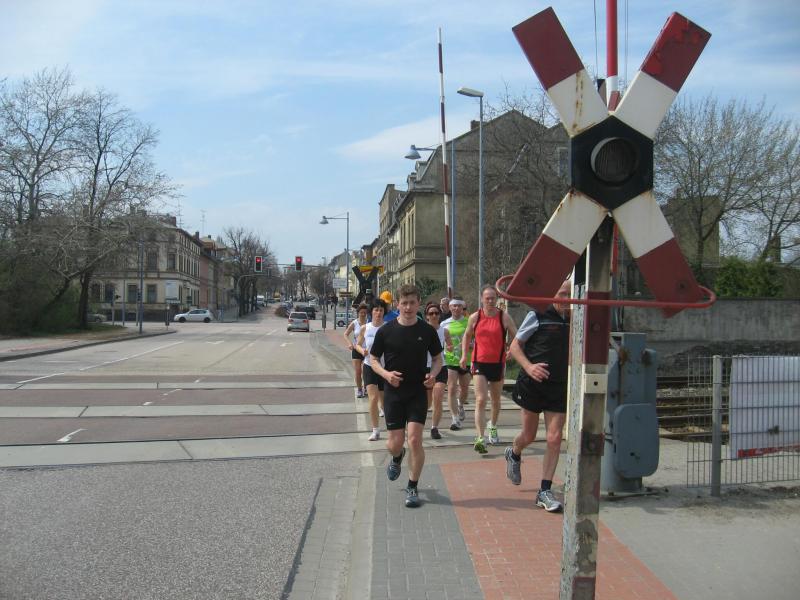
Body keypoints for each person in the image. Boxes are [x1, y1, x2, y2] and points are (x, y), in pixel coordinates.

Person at [369, 284, 443, 508]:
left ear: (418, 303)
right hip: (393, 393)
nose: (408, 307)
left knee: (415, 440)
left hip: (417, 391)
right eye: (404, 303)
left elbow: (438, 359)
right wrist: (386, 374)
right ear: (397, 305)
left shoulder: (427, 331)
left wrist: (433, 375)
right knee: (394, 444)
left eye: (412, 303)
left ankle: (412, 486)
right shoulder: (386, 331)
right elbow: (373, 359)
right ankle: (397, 455)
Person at [504, 278, 571, 513]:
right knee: (529, 435)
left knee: (554, 437)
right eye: (562, 294)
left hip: (558, 385)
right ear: (552, 295)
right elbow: (515, 346)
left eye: (570, 294)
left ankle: (544, 491)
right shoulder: (537, 315)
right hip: (533, 384)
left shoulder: (576, 318)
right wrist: (529, 367)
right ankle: (514, 452)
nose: (566, 300)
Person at [460, 285, 517, 454]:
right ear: (482, 299)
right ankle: (480, 437)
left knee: (495, 400)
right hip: (479, 362)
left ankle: (493, 425)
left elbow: (517, 335)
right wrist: (464, 356)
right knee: (481, 399)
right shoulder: (475, 317)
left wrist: (512, 350)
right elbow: (467, 336)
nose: (490, 301)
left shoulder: (503, 317)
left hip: (497, 363)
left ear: (496, 299)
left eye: (493, 298)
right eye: (487, 298)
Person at [355, 298, 387, 441]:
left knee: (385, 400)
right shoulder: (365, 328)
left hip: (385, 368)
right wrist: (362, 351)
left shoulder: (388, 327)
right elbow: (357, 344)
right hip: (369, 366)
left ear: (384, 312)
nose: (378, 313)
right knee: (373, 398)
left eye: (381, 310)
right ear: (371, 312)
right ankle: (375, 430)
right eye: (376, 310)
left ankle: (393, 426)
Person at [441, 296, 471, 430]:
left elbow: (476, 339)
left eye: (459, 306)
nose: (456, 308)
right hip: (450, 359)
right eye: (454, 306)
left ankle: (460, 404)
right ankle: (455, 419)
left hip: (466, 359)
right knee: (452, 388)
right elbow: (440, 340)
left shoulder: (469, 322)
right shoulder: (444, 323)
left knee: (464, 388)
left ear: (463, 307)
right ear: (450, 307)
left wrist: (471, 344)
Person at [424, 301, 453, 440]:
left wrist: (450, 348)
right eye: (431, 313)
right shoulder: (421, 330)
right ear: (427, 316)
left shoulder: (444, 331)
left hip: (441, 366)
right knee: (427, 401)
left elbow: (449, 344)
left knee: (438, 396)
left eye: (436, 313)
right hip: (426, 368)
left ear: (440, 315)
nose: (434, 316)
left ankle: (434, 427)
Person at [343, 303, 369, 397]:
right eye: (361, 312)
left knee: (365, 371)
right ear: (358, 313)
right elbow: (345, 334)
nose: (363, 314)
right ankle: (359, 389)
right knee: (358, 372)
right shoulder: (354, 323)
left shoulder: (369, 323)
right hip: (356, 349)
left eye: (365, 313)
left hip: (366, 350)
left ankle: (366, 387)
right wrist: (349, 344)